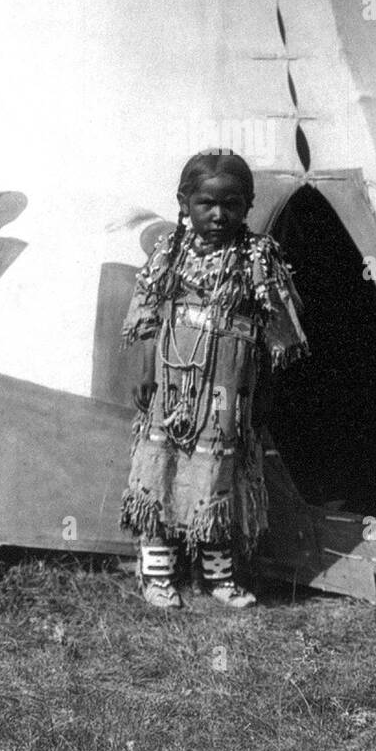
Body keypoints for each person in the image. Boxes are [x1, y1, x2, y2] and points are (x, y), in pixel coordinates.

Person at [120, 150, 308, 610]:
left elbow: (279, 335)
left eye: (232, 204)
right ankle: (157, 572)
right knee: (160, 465)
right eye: (207, 203)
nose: (219, 214)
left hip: (229, 387)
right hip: (172, 380)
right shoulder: (171, 252)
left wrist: (263, 392)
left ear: (248, 205)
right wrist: (146, 367)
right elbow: (145, 310)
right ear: (184, 202)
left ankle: (218, 574)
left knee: (218, 471)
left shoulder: (257, 257)